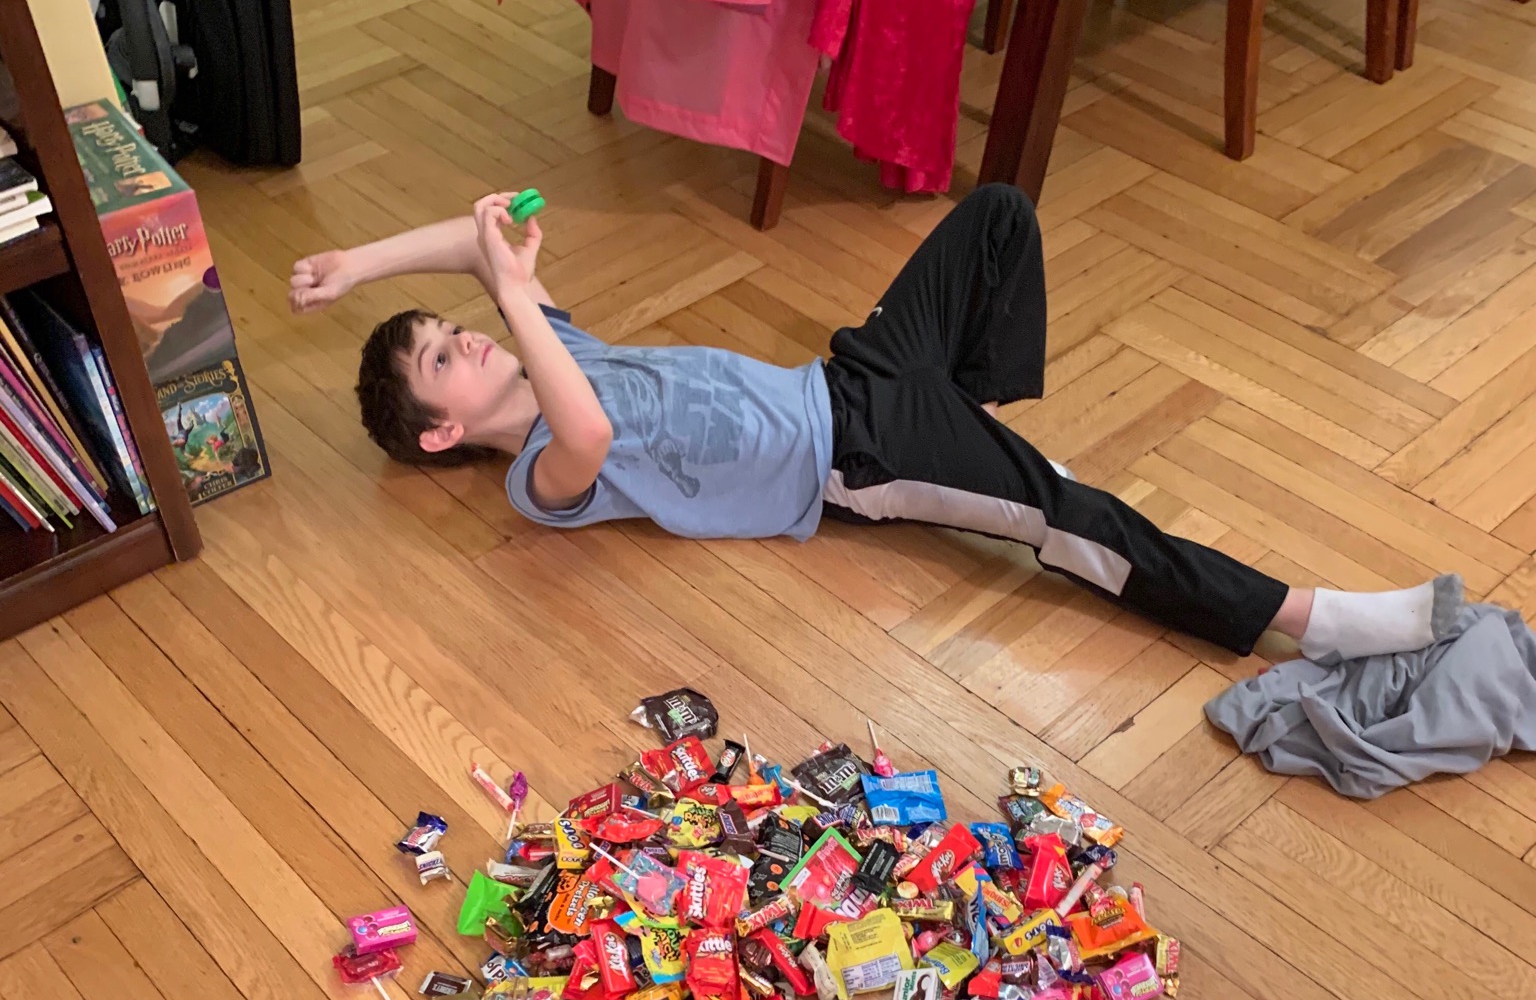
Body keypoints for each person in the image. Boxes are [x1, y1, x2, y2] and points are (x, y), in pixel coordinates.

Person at [289, 184, 1462, 662]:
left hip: (853, 372)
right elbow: (588, 431)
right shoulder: (542, 467)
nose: (470, 339)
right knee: (1070, 516)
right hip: (857, 457)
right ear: (442, 432)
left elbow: (478, 244)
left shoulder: (558, 341)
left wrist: (359, 263)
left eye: (455, 327)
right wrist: (508, 292)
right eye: (443, 359)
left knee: (997, 215)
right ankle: (1305, 619)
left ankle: (975, 430)